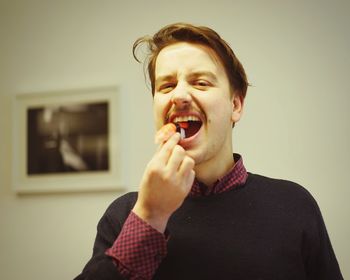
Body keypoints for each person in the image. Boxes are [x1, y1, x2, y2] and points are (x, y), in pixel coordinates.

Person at [74, 23, 343, 280]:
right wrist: (150, 216)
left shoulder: (294, 204)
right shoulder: (124, 214)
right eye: (166, 86)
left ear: (235, 105)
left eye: (201, 83)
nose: (179, 96)